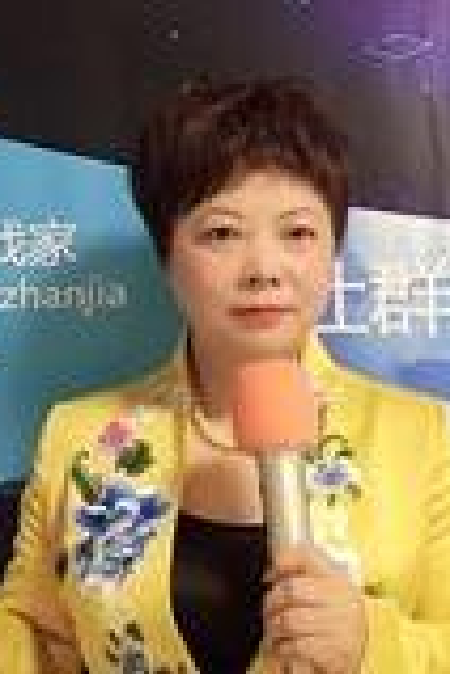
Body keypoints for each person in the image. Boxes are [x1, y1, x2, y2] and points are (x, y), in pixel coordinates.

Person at [1, 74, 449, 674]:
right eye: (222, 233)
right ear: (166, 255)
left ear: (332, 251)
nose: (264, 268)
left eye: (297, 232)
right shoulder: (78, 436)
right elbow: (32, 637)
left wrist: (374, 644)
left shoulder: (423, 436)